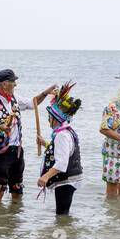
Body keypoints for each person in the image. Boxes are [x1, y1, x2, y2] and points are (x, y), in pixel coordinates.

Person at [0, 69, 53, 202]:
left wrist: (45, 93)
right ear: (4, 84)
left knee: (17, 188)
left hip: (17, 151)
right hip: (0, 153)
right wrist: (0, 128)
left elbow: (33, 103)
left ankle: (13, 218)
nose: (15, 85)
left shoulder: (15, 98)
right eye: (13, 82)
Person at [36, 81, 82, 216]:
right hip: (71, 178)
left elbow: (62, 163)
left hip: (66, 180)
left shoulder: (61, 135)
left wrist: (45, 176)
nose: (48, 119)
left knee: (62, 215)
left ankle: (63, 235)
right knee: (63, 214)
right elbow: (63, 151)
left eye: (49, 116)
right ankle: (66, 233)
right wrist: (45, 143)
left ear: (56, 118)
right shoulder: (67, 131)